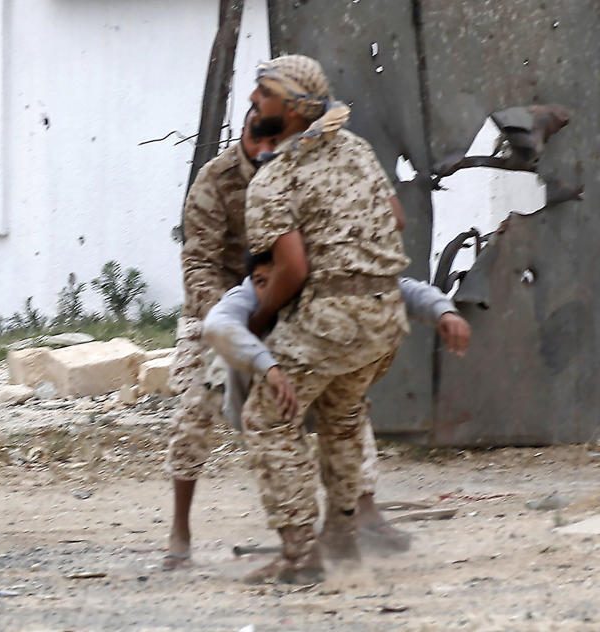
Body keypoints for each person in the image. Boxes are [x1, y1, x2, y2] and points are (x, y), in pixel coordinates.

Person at [240, 53, 412, 584]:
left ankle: (298, 555)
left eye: (262, 94)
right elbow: (398, 217)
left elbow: (290, 269)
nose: (252, 101)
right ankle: (343, 537)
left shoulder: (276, 178)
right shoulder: (357, 150)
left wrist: (262, 320)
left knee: (266, 418)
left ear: (290, 110)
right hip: (385, 316)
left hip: (328, 319)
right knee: (340, 417)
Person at [203, 250, 471, 550]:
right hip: (257, 389)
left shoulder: (322, 294)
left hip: (313, 379)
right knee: (278, 444)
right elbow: (219, 327)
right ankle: (299, 541)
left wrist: (442, 311)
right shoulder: (248, 299)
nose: (268, 289)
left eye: (276, 279)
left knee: (350, 418)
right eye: (260, 281)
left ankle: (361, 516)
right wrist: (267, 366)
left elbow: (401, 289)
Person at [163, 108, 282, 569]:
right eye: (257, 134)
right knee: (195, 411)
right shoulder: (215, 180)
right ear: (244, 133)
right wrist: (227, 321)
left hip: (280, 298)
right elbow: (198, 264)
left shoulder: (300, 175)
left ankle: (358, 513)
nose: (265, 146)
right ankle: (180, 528)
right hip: (216, 306)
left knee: (340, 400)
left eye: (275, 135)